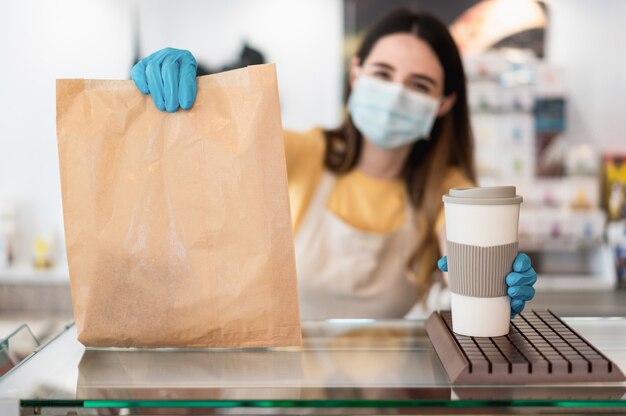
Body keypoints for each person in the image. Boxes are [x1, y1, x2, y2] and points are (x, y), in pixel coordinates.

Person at [130, 9, 537, 320]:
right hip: (284, 393)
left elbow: (467, 259)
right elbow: (200, 153)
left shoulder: (447, 190)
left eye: (419, 85)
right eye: (383, 73)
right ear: (356, 74)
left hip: (383, 401)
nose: (396, 95)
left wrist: (492, 288)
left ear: (444, 102)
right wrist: (183, 100)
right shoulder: (304, 152)